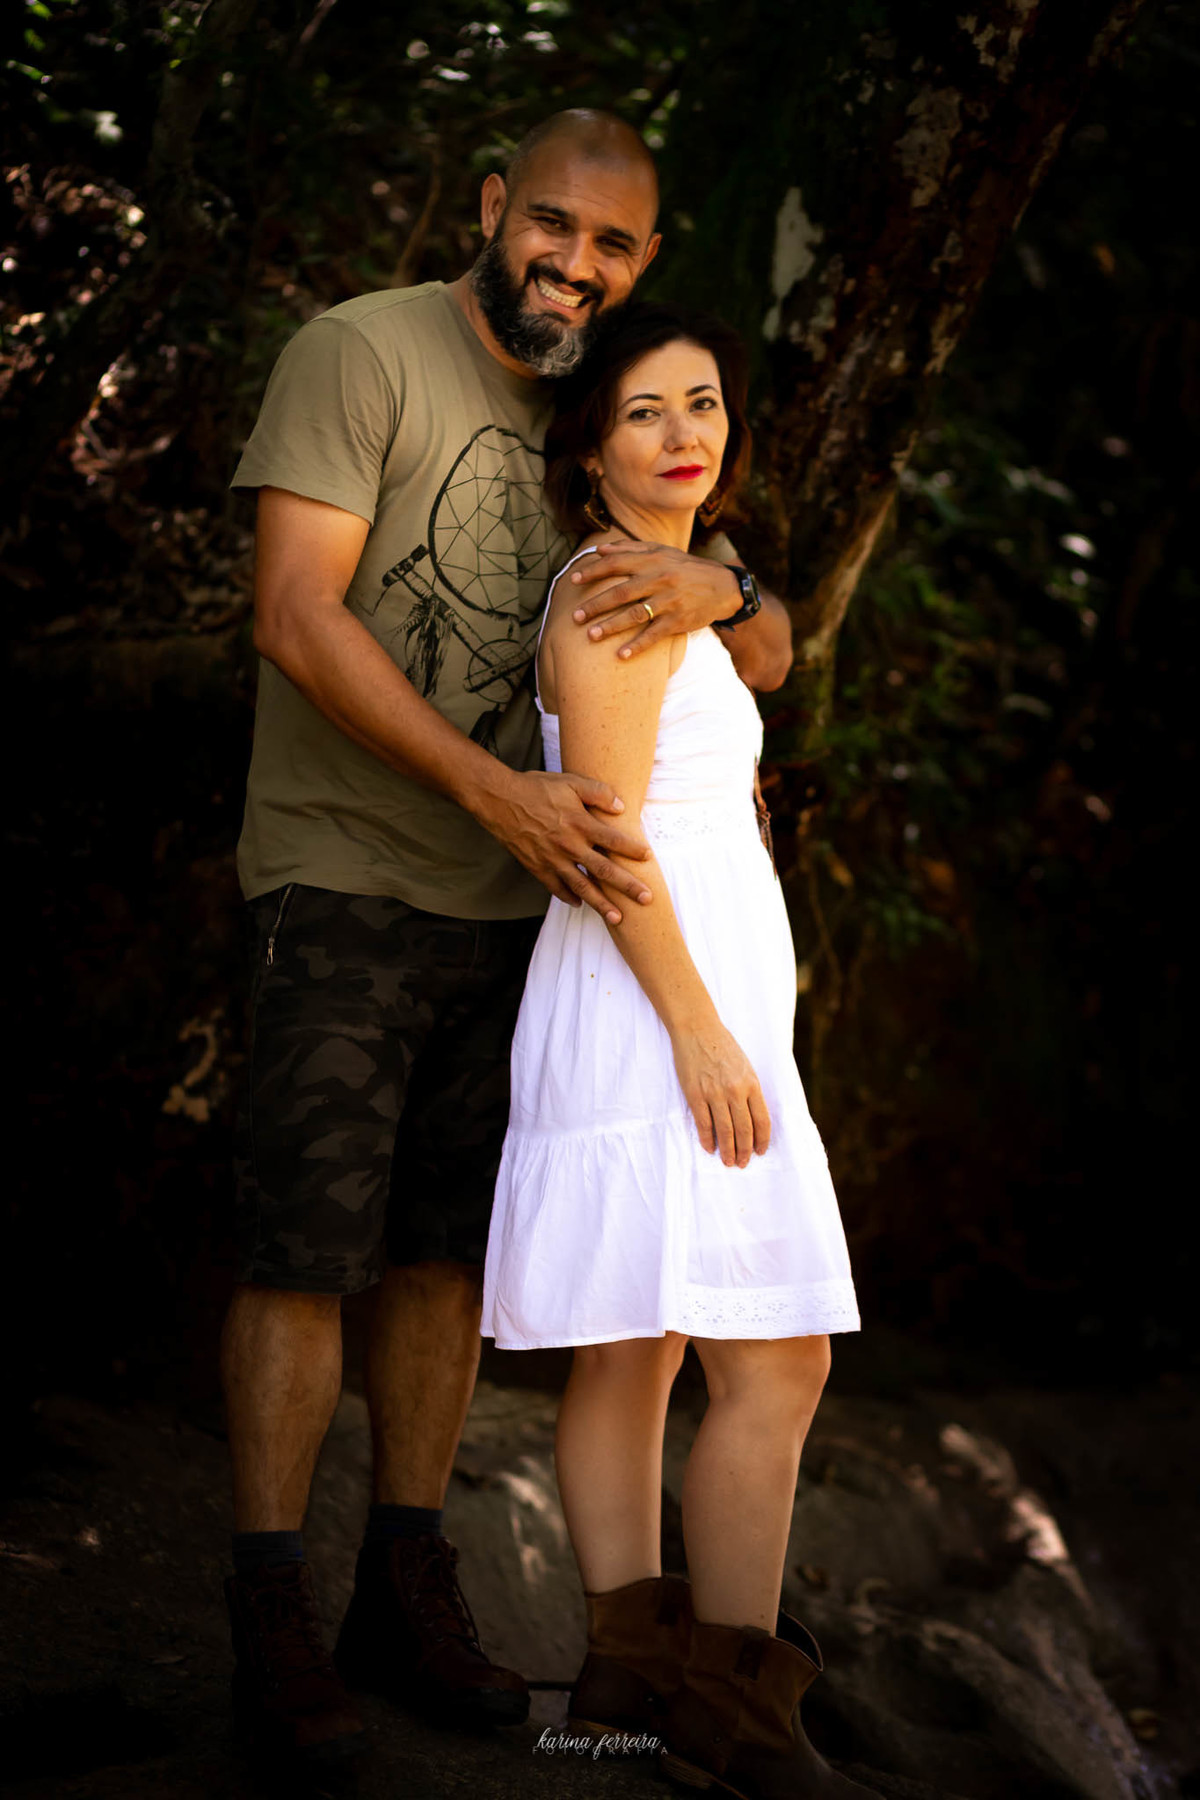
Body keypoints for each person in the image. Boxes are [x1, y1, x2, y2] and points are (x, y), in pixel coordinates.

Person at [221, 109, 794, 1780]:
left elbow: (751, 627)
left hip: (529, 926)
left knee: (441, 1264)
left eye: (611, 244)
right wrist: (495, 793)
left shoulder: (605, 404)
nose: (573, 263)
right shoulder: (363, 353)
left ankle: (401, 1587)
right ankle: (269, 1613)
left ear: (644, 261)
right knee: (301, 1249)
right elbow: (294, 610)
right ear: (493, 206)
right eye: (551, 223)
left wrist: (729, 591)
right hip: (343, 873)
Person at [481, 303, 870, 1800]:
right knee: (776, 1361)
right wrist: (704, 1033)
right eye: (643, 411)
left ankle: (628, 1683)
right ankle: (736, 1713)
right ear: (590, 449)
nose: (681, 433)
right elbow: (607, 842)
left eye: (701, 403)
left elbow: (768, 655)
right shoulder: (607, 598)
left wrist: (725, 578)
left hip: (679, 1004)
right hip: (660, 1012)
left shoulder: (681, 580)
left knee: (639, 1351)